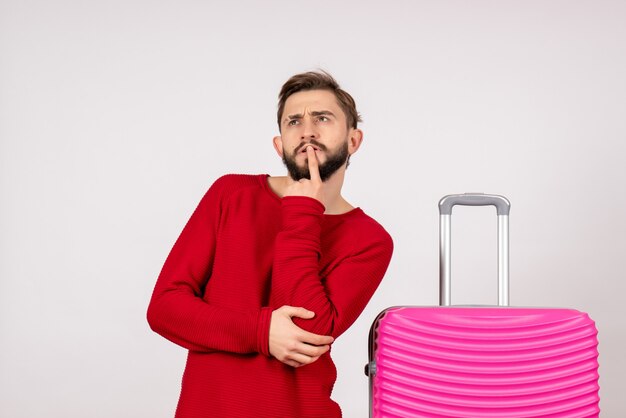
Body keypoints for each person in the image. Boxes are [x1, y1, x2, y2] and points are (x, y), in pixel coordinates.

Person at [147, 70, 393, 418]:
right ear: (279, 144)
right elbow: (165, 309)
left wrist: (304, 213)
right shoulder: (231, 194)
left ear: (353, 141)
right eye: (294, 121)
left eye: (322, 118)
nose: (307, 129)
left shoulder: (370, 240)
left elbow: (307, 333)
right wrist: (260, 332)